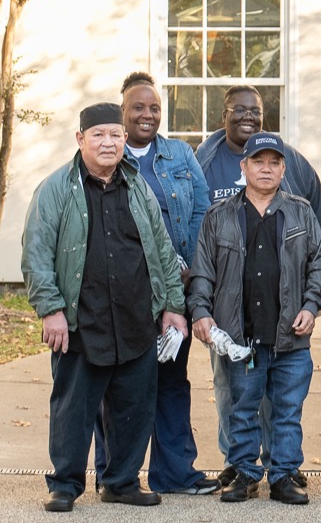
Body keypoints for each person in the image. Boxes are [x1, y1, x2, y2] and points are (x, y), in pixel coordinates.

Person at [21, 103, 187, 512]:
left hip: (135, 319)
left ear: (124, 139)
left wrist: (172, 305)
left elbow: (162, 249)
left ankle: (121, 482)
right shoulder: (56, 188)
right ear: (80, 140)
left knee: (134, 407)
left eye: (115, 134)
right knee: (72, 410)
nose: (108, 142)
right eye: (98, 135)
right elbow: (36, 254)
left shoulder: (138, 187)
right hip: (80, 321)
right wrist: (51, 309)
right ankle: (64, 485)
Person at [91, 72, 218, 496]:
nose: (147, 114)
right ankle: (113, 474)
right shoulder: (107, 154)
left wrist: (193, 271)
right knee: (115, 383)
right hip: (120, 290)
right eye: (138, 108)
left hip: (171, 290)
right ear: (122, 112)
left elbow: (201, 214)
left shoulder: (181, 155)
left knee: (170, 379)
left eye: (154, 108)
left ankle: (176, 474)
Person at [195, 85, 321, 487]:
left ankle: (284, 474)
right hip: (240, 336)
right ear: (245, 168)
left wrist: (311, 305)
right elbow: (204, 271)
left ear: (284, 169)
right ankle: (246, 474)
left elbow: (318, 267)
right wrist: (201, 312)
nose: (266, 168)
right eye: (258, 162)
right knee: (241, 408)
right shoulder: (219, 217)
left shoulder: (302, 214)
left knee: (287, 409)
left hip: (290, 334)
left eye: (274, 162)